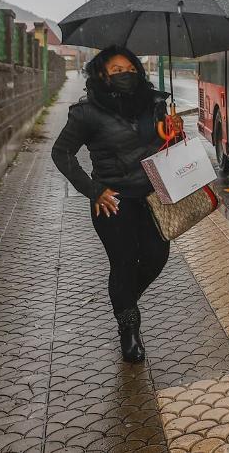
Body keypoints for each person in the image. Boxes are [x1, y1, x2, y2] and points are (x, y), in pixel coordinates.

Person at [50, 45, 183, 363]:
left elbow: (168, 145)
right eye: (116, 71)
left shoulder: (154, 103)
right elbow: (61, 153)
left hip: (153, 196)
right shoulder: (87, 112)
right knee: (123, 264)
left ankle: (124, 302)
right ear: (101, 75)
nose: (125, 75)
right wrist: (93, 190)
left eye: (130, 69)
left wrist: (173, 132)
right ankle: (129, 331)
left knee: (156, 256)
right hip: (114, 203)